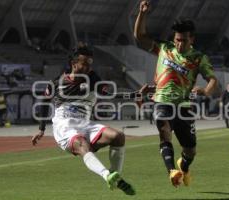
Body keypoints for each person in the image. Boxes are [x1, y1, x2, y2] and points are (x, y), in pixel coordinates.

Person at [31, 46, 135, 195]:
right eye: (84, 63)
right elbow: (43, 102)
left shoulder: (93, 78)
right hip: (65, 126)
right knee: (82, 144)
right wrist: (41, 129)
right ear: (74, 64)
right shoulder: (57, 82)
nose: (88, 67)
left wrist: (136, 95)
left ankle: (116, 178)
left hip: (86, 124)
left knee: (118, 137)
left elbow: (111, 93)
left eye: (90, 63)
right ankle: (107, 175)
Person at [134, 1, 217, 187]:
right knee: (164, 132)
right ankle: (172, 170)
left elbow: (213, 80)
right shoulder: (165, 48)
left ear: (192, 40)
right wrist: (142, 13)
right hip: (162, 101)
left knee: (190, 150)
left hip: (184, 106)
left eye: (184, 40)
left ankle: (184, 166)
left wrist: (205, 90)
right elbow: (140, 36)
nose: (179, 44)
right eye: (177, 39)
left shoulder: (198, 58)